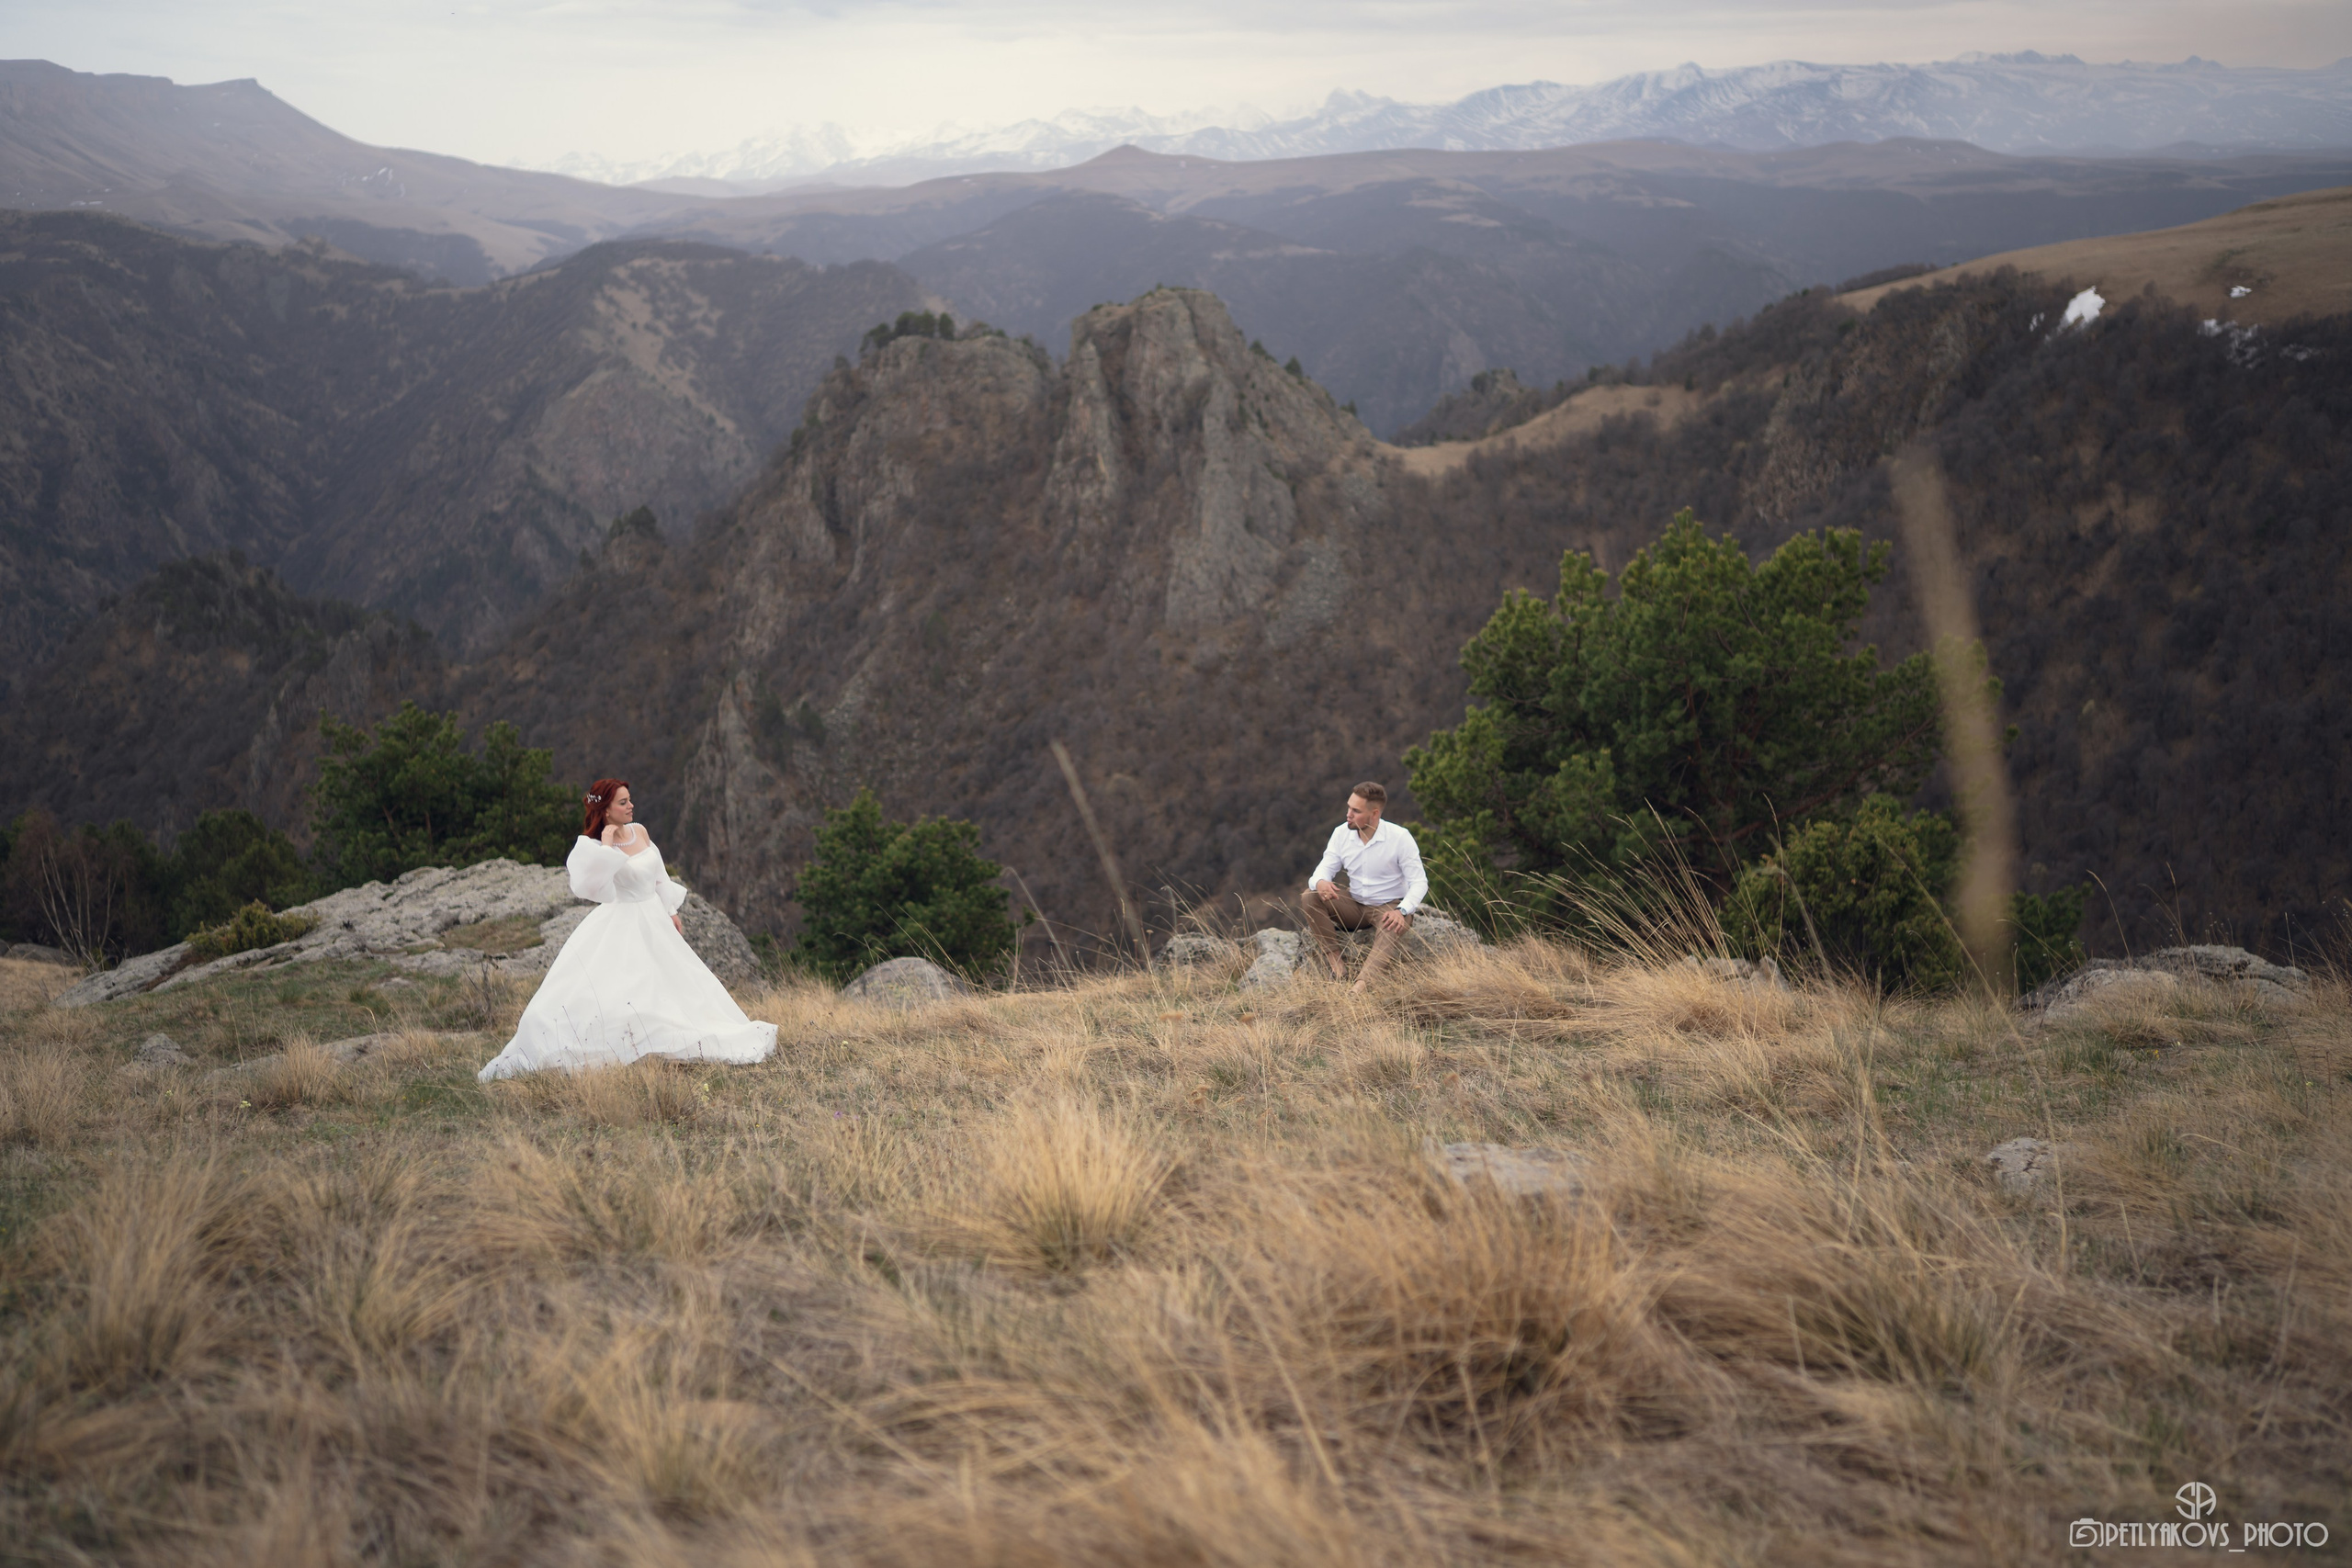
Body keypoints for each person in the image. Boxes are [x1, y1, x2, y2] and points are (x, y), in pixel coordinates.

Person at [478, 778, 776, 1081]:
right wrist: (607, 847)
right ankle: (629, 1039)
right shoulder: (595, 847)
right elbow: (597, 889)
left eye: (629, 799)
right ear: (606, 810)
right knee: (628, 983)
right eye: (622, 802)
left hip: (654, 918)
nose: (630, 805)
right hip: (622, 918)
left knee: (673, 979)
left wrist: (671, 910)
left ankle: (673, 1030)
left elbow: (659, 874)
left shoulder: (640, 831)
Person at [1300, 781, 1427, 991]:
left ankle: (1360, 987)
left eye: (1356, 811)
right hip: (1355, 905)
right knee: (1309, 896)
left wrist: (1402, 910)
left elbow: (1419, 882)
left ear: (1374, 814)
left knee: (1390, 926)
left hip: (1389, 906)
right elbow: (1321, 871)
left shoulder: (1400, 837)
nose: (1348, 814)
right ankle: (1337, 967)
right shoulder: (1341, 834)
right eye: (1349, 807)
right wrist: (1321, 882)